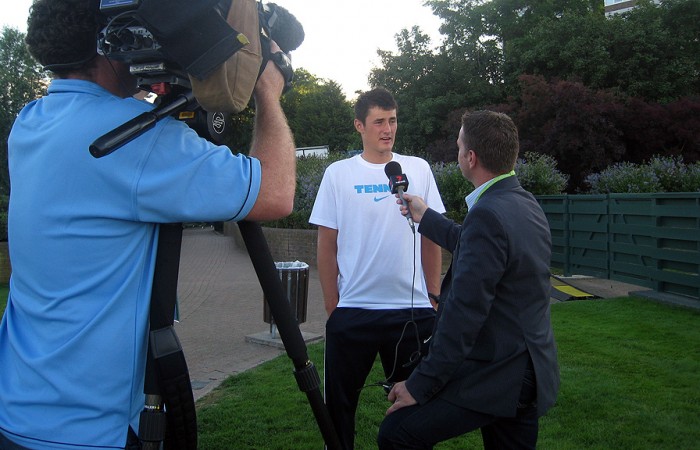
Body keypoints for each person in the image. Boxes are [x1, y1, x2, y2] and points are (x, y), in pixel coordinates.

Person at [0, 0, 296, 448]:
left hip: (20, 408)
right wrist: (267, 93)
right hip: (89, 429)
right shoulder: (132, 142)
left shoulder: (31, 123)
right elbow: (275, 194)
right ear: (112, 41)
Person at [378, 110, 560, 449]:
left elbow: (463, 317)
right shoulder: (522, 202)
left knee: (397, 435)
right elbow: (483, 246)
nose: (458, 152)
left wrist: (420, 384)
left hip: (500, 374)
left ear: (471, 158)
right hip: (531, 369)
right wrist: (425, 216)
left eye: (459, 146)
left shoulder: (489, 213)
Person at [309, 87, 446, 449]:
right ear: (360, 126)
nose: (388, 129)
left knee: (415, 411)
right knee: (338, 410)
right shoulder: (338, 174)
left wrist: (433, 296)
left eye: (393, 120)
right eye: (379, 122)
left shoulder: (417, 169)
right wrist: (332, 305)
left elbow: (432, 238)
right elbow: (327, 244)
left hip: (413, 311)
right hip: (354, 311)